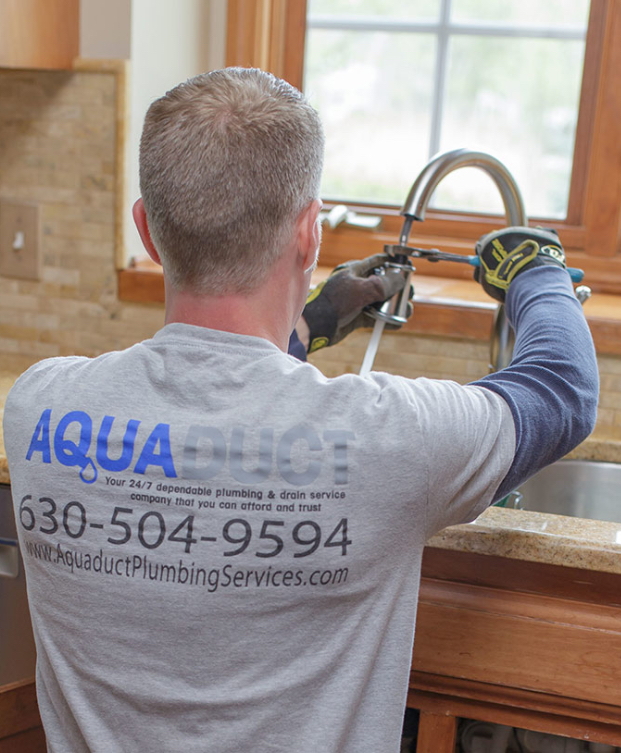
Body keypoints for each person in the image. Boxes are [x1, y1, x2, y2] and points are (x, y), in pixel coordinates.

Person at [3, 68, 598, 753]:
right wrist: (538, 271)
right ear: (309, 235)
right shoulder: (391, 439)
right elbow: (559, 389)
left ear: (146, 227)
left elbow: (205, 423)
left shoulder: (38, 408)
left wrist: (311, 324)